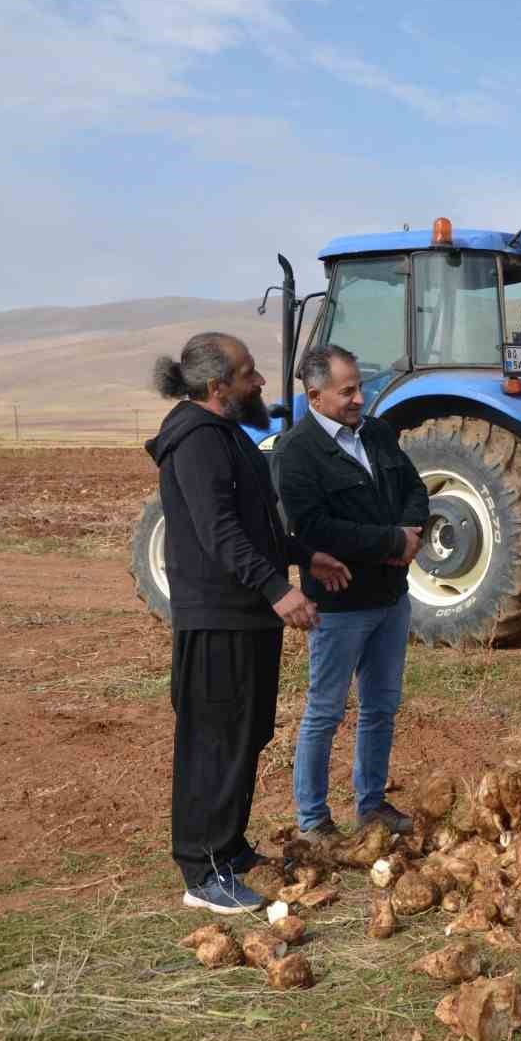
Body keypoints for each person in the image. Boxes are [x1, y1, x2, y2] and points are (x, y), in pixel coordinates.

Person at [147, 332, 351, 914]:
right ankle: (202, 870)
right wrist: (277, 590)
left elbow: (253, 526)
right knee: (212, 740)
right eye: (249, 373)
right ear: (218, 387)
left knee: (246, 731)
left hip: (245, 615)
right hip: (218, 617)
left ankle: (229, 848)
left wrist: (299, 553)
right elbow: (219, 533)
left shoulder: (225, 436)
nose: (261, 381)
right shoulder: (196, 442)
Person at [273, 344, 429, 843]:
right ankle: (313, 820)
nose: (360, 398)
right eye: (348, 391)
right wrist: (391, 542)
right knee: (326, 710)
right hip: (340, 605)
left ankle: (371, 805)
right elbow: (312, 525)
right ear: (315, 396)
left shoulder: (378, 434)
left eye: (359, 386)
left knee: (381, 706)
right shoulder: (296, 452)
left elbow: (414, 488)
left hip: (390, 598)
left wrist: (409, 530)